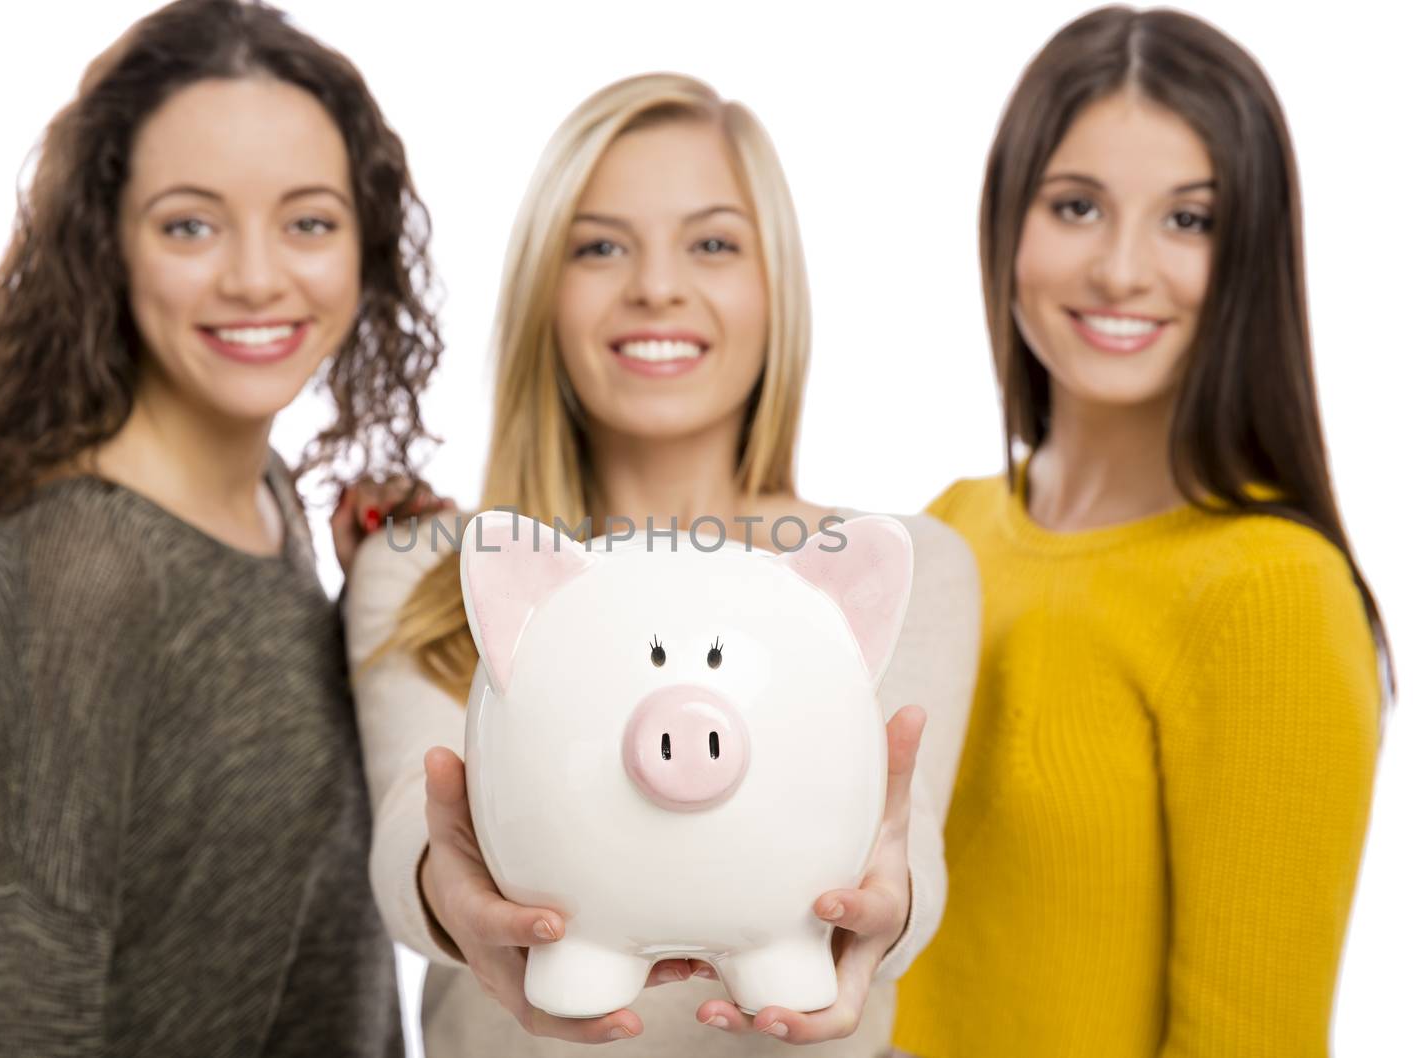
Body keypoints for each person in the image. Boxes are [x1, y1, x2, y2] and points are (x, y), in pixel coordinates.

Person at [345, 73, 979, 1054]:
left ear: (776, 287)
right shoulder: (433, 566)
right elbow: (404, 832)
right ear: (541, 292)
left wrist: (883, 910)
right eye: (599, 245)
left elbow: (910, 846)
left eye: (713, 243)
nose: (655, 285)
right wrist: (453, 889)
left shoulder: (894, 565)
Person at [0, 1, 441, 1053]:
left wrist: (369, 615)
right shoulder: (73, 570)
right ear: (107, 246)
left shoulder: (263, 503)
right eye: (190, 223)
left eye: (307, 220)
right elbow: (10, 1015)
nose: (256, 275)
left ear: (363, 245)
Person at [891, 8, 1390, 1056]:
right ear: (1005, 218)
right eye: (1076, 206)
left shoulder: (1267, 591)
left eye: (1189, 220)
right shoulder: (946, 531)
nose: (1122, 269)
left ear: (1249, 254)